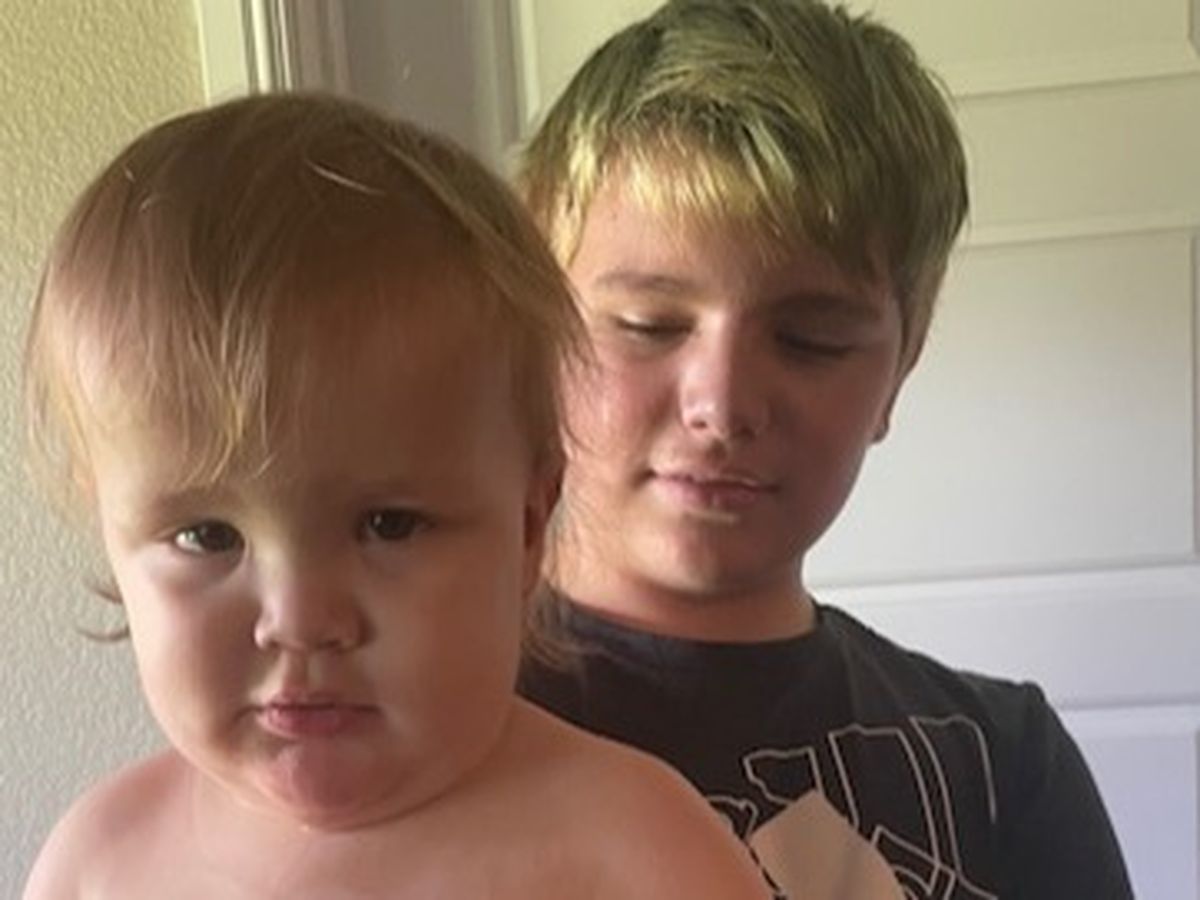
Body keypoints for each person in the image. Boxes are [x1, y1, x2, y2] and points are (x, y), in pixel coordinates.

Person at [20, 93, 770, 900]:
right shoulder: (98, 864)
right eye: (208, 535)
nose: (300, 620)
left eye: (388, 524)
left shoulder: (635, 852)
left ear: (528, 526)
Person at [516, 1, 1134, 897]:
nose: (721, 406)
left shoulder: (1003, 767)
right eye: (649, 325)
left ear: (900, 368)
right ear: (539, 333)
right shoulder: (395, 735)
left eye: (811, 340)